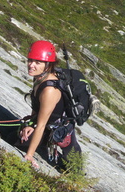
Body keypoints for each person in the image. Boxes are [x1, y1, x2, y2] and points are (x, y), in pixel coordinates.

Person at [18, 40, 81, 169]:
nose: (31, 65)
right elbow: (37, 108)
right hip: (48, 130)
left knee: (73, 170)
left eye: (37, 62)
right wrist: (31, 124)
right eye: (30, 60)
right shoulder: (39, 77)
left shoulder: (50, 90)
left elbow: (41, 125)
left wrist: (29, 155)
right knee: (17, 137)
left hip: (61, 135)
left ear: (47, 65)